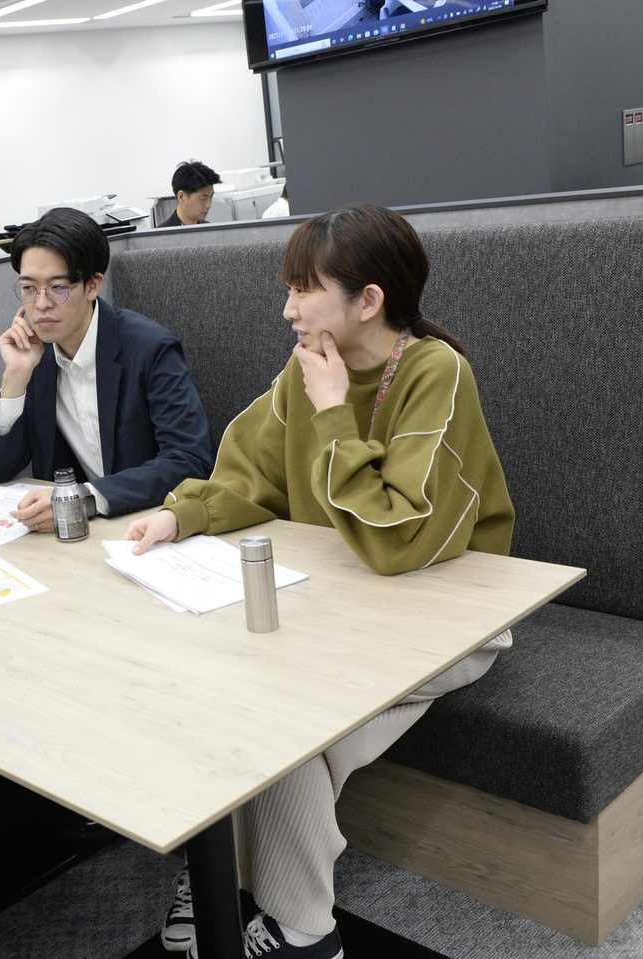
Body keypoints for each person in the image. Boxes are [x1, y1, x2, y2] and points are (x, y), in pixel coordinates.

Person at [128, 204, 515, 959]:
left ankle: (283, 916)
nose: (288, 309)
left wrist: (336, 412)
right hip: (344, 610)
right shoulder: (301, 368)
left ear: (368, 300)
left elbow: (398, 537)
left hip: (454, 617)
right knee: (252, 706)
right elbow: (250, 473)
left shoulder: (436, 373)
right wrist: (183, 515)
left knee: (292, 733)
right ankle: (259, 898)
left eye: (304, 289)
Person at [0, 206, 215, 529]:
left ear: (93, 286)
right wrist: (16, 377)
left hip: (152, 524)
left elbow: (189, 460)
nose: (41, 304)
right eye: (29, 288)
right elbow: (0, 469)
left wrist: (86, 498)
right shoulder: (37, 357)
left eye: (58, 288)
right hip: (78, 537)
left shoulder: (149, 349)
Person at [158, 160, 223, 227]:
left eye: (211, 197)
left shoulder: (210, 229)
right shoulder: (162, 232)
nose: (208, 205)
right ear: (181, 197)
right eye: (203, 198)